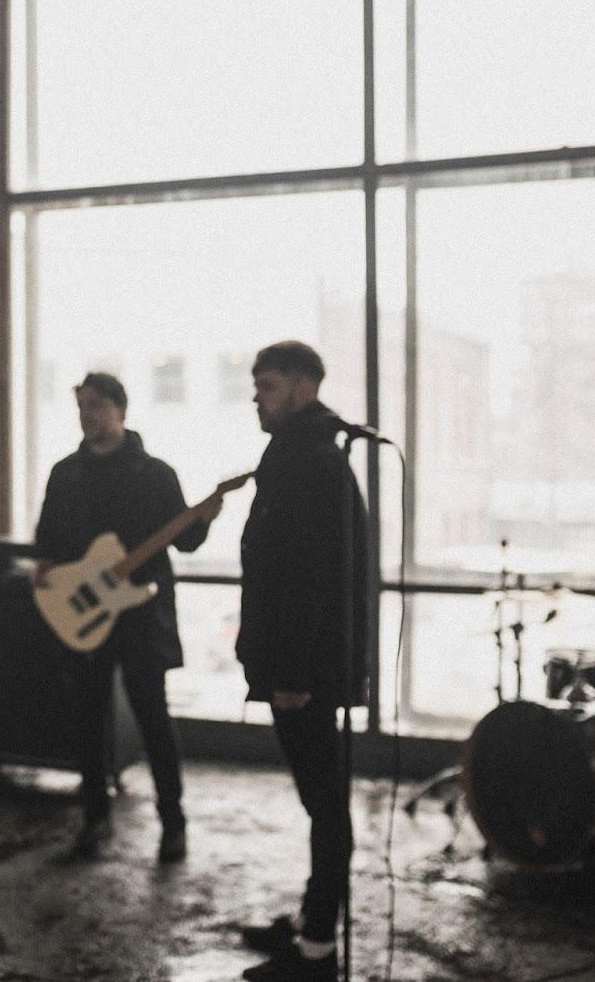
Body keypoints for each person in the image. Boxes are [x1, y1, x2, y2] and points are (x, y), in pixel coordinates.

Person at [33, 372, 223, 863]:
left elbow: (185, 540)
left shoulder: (155, 473)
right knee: (88, 720)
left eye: (96, 405)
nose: (87, 414)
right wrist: (45, 569)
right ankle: (94, 820)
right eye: (81, 406)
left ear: (121, 408)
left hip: (143, 613)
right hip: (84, 610)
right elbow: (47, 540)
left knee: (153, 717)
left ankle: (173, 825)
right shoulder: (64, 473)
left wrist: (203, 517)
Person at [233, 342, 368, 982]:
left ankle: (316, 949)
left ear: (305, 387)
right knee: (323, 804)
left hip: (304, 674)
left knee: (326, 807)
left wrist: (291, 674)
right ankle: (314, 927)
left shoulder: (310, 460)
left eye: (268, 386)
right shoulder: (303, 455)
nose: (257, 397)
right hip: (304, 667)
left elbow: (309, 577)